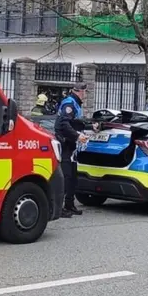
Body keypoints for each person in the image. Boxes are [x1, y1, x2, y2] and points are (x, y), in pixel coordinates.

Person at [54, 82, 89, 218]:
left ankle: (70, 204)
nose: (85, 94)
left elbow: (76, 122)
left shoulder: (76, 103)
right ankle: (60, 207)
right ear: (80, 92)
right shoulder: (69, 103)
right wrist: (77, 135)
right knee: (66, 176)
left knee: (73, 176)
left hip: (72, 145)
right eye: (84, 92)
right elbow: (63, 124)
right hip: (65, 144)